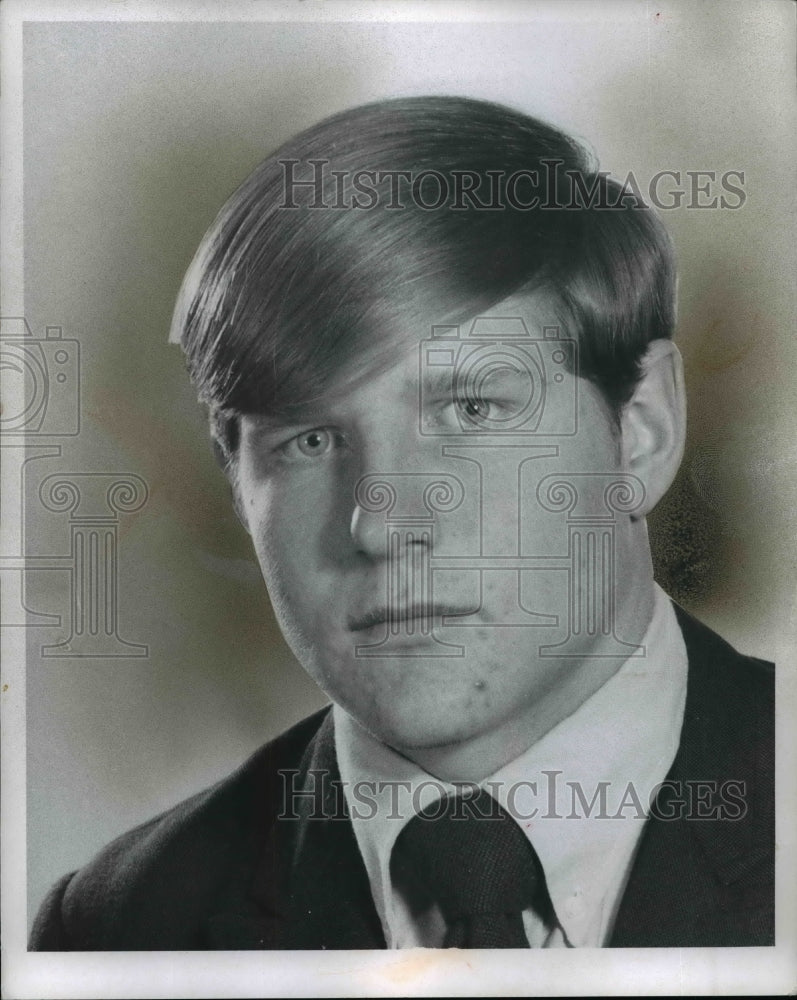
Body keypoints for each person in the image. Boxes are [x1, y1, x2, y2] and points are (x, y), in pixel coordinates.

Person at [30, 96, 774, 950]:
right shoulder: (121, 928)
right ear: (236, 480)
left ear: (640, 432)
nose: (380, 527)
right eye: (307, 440)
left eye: (470, 408)